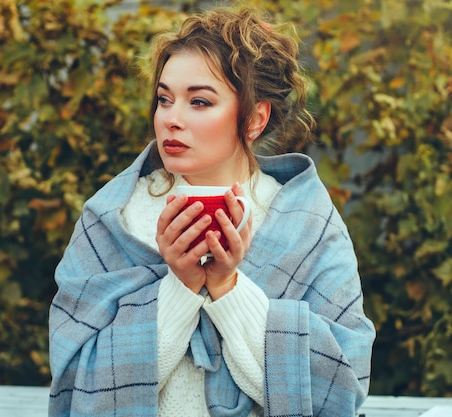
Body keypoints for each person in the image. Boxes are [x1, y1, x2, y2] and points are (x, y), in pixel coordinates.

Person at [48, 6, 375, 417]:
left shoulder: (308, 226)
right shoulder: (114, 220)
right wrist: (179, 288)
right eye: (164, 99)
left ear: (254, 119)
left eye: (199, 101)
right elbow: (77, 385)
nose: (171, 119)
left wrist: (227, 287)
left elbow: (338, 392)